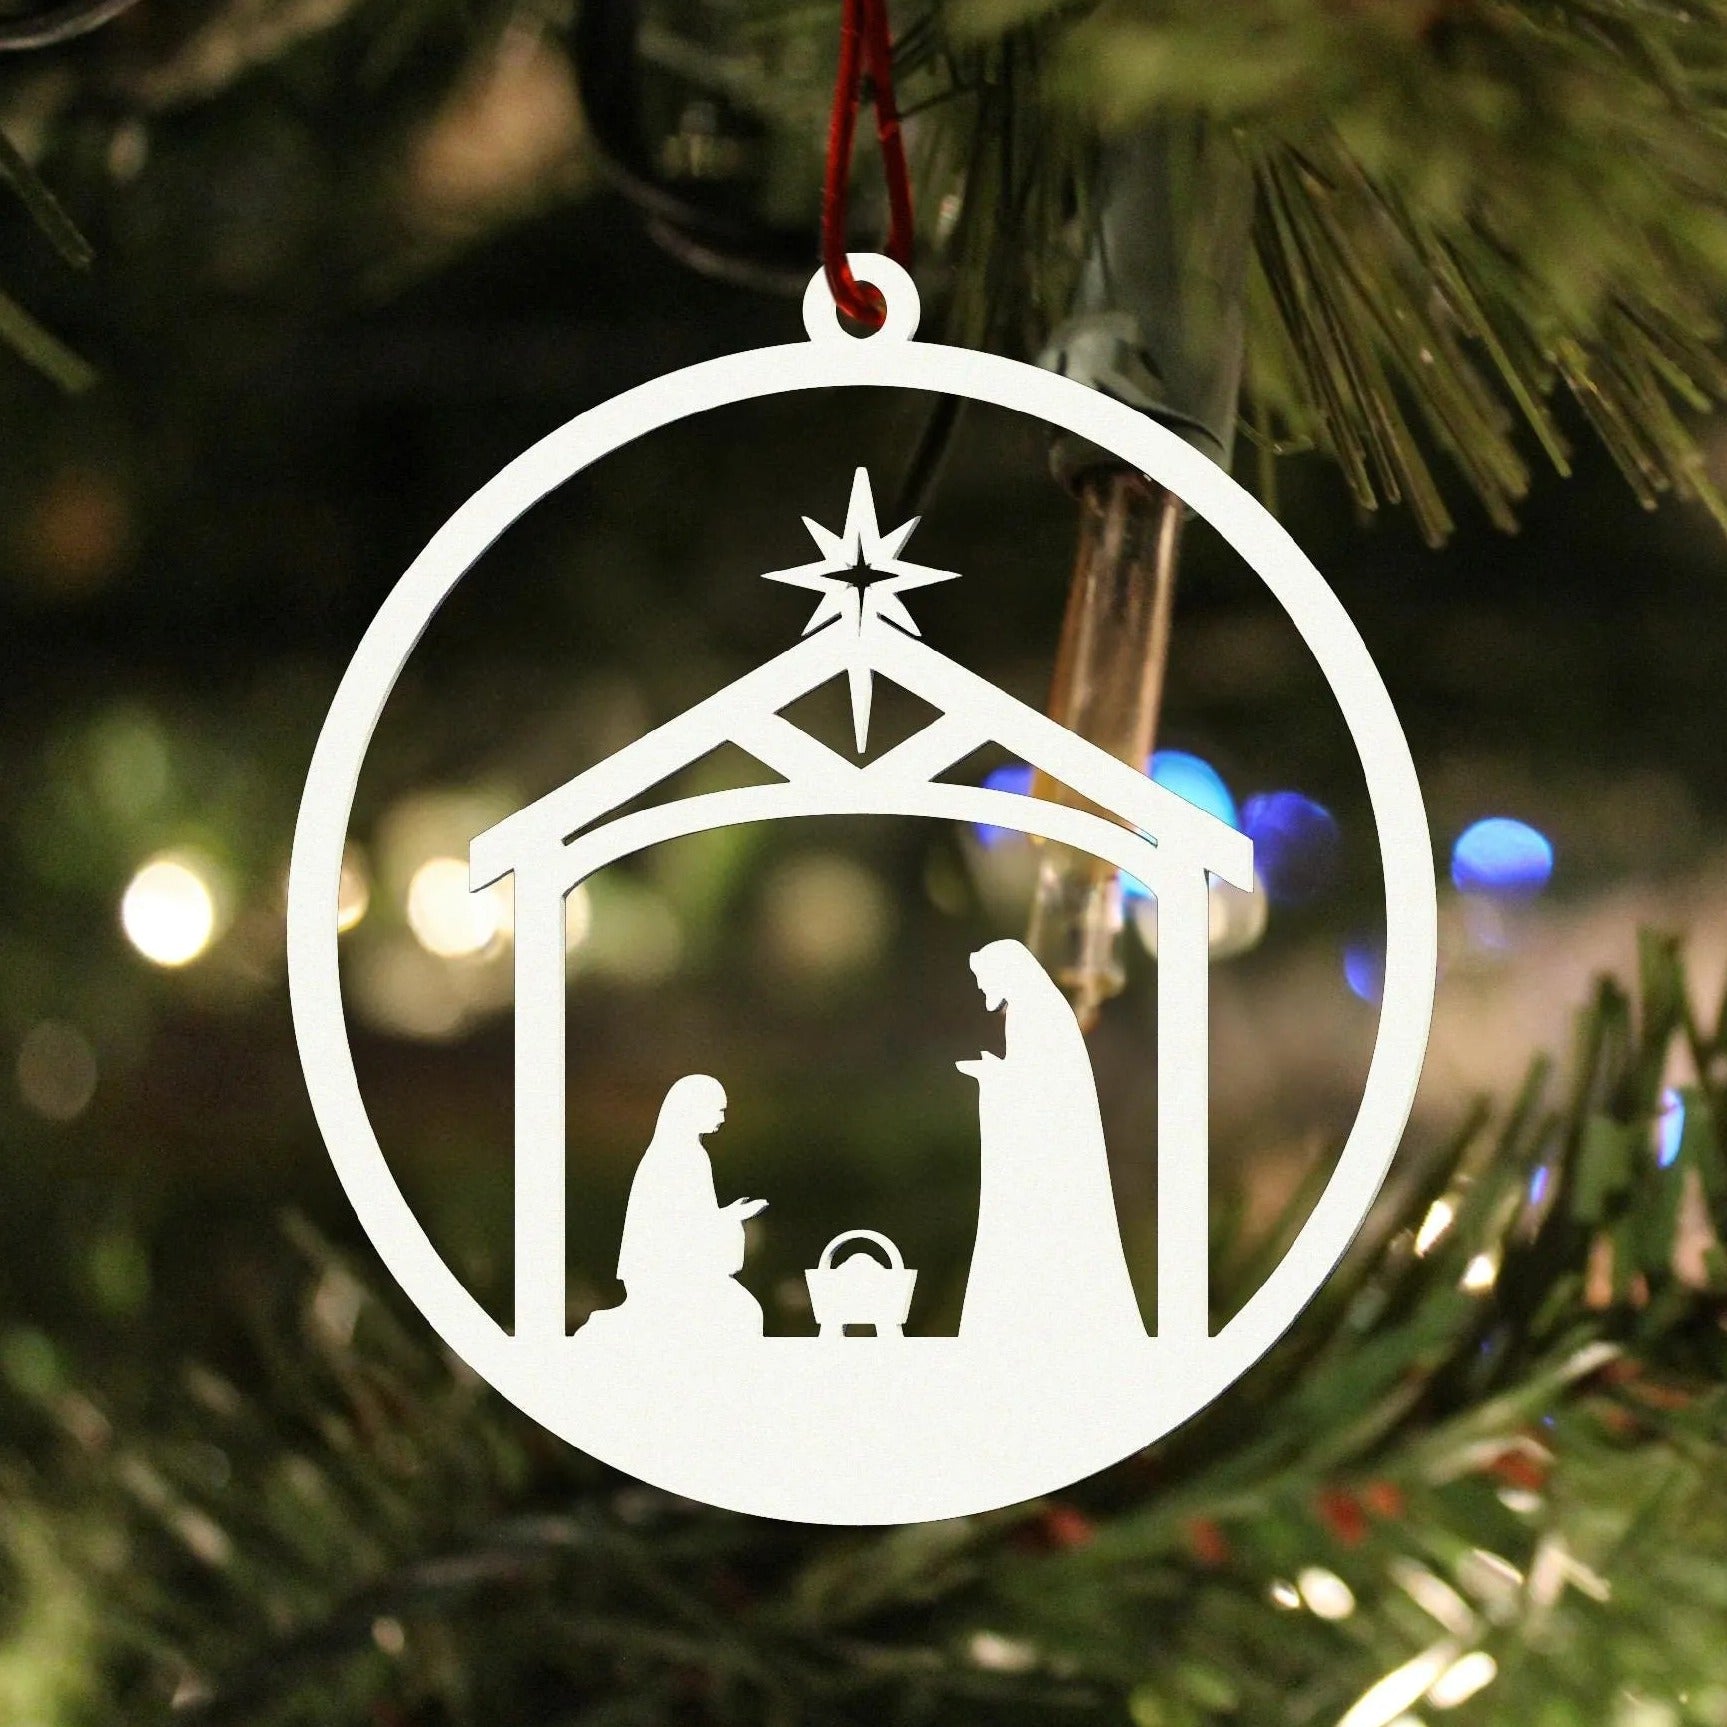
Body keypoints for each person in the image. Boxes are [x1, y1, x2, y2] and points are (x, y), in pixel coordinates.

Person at [956, 939, 1147, 1344]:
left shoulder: (1034, 1012)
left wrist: (996, 1079)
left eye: (984, 981)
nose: (983, 991)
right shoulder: (1032, 1010)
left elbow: (1044, 1088)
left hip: (1050, 1168)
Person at [587, 1074, 767, 1341]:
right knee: (740, 1314)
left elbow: (691, 1219)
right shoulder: (679, 1157)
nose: (723, 1118)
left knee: (743, 1312)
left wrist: (727, 1216)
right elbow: (674, 1229)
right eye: (718, 1110)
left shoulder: (688, 1154)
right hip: (666, 1276)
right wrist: (728, 1220)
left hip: (681, 1271)